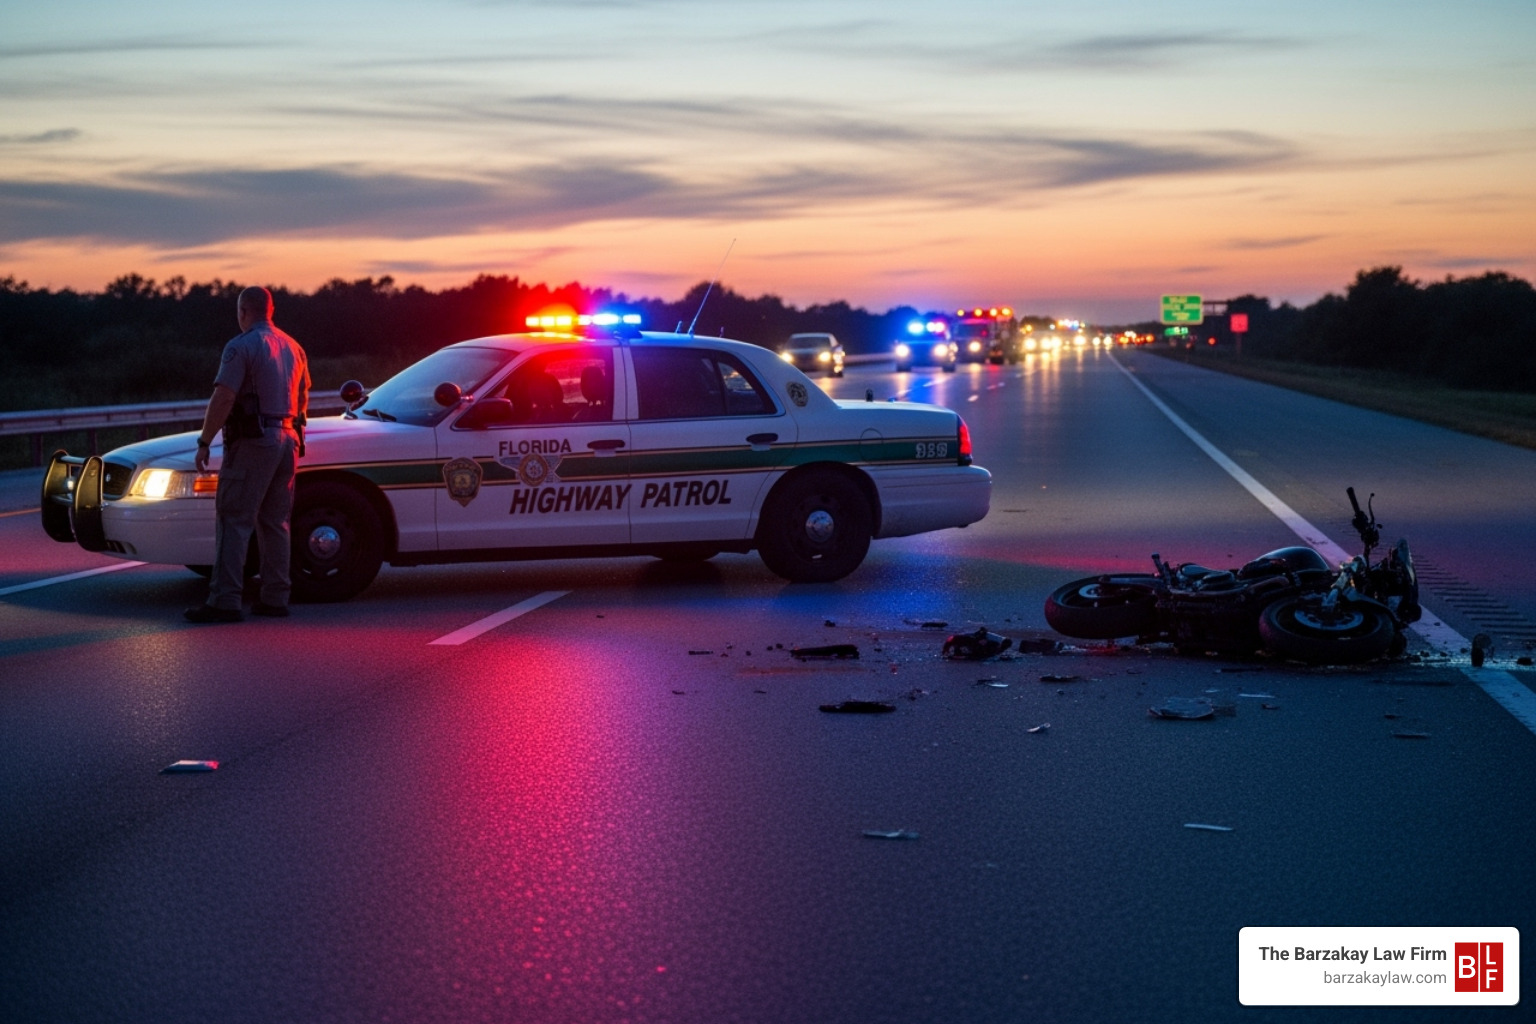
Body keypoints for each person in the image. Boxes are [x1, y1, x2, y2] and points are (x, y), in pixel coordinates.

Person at [185, 286, 310, 622]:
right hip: (287, 439)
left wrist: (204, 441)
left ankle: (224, 600)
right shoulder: (294, 347)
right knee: (275, 522)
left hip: (254, 441)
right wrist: (296, 436)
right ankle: (275, 597)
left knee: (233, 518)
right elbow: (303, 398)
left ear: (243, 311)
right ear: (271, 310)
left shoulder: (241, 346)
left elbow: (224, 397)